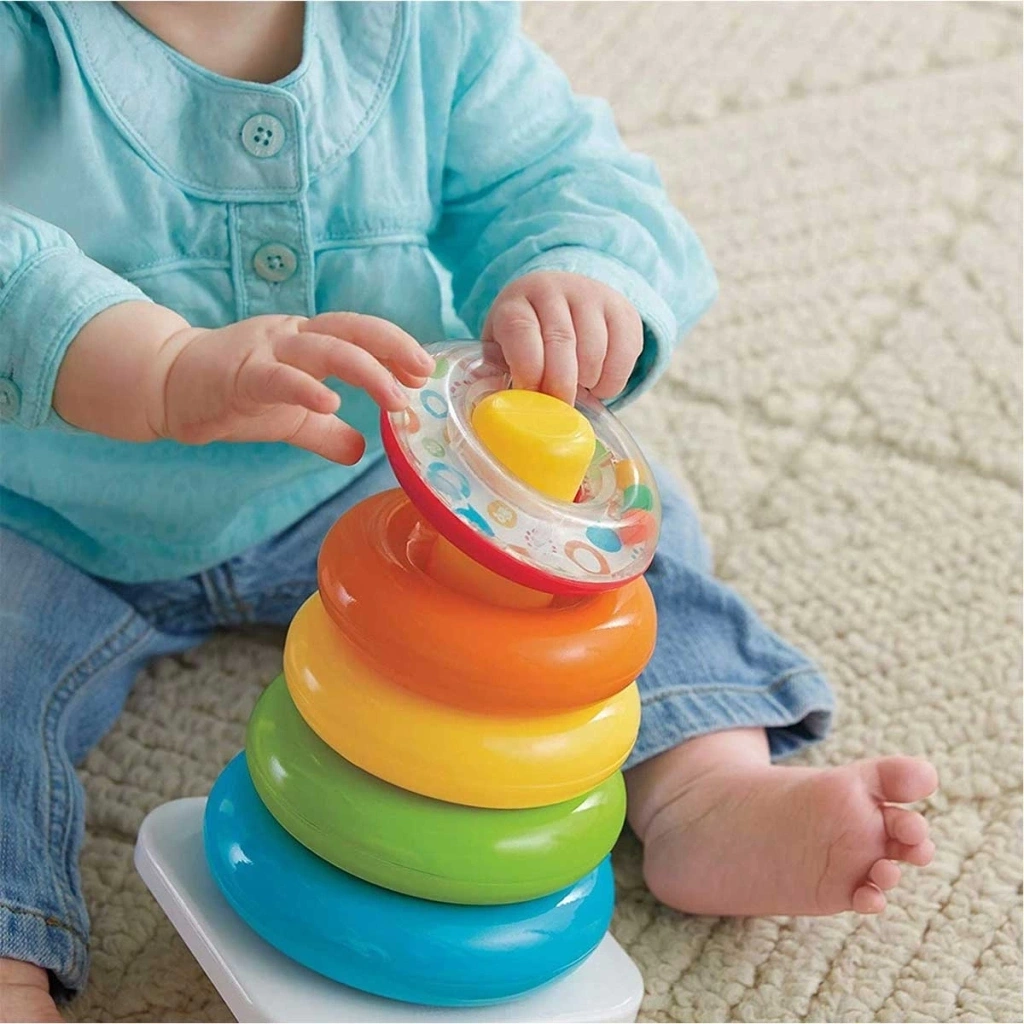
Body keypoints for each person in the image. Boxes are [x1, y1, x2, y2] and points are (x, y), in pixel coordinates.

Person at [0, 3, 937, 1020]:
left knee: (602, 554)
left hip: (378, 461)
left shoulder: (421, 21)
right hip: (47, 508)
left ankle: (704, 789)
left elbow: (553, 168)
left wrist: (575, 274)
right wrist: (156, 364)